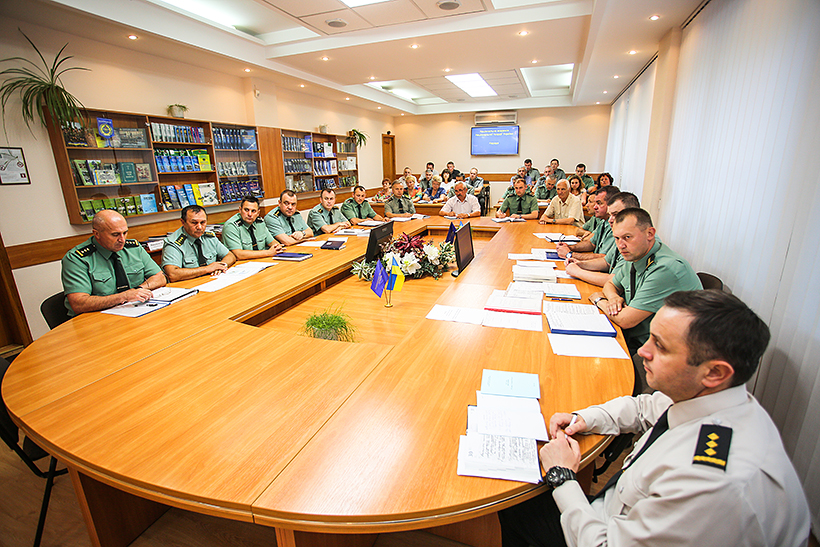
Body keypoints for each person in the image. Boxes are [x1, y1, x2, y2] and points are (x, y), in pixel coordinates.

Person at [499, 290, 810, 547]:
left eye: (660, 346)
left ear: (715, 372)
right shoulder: (714, 398)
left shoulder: (710, 485)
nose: (642, 352)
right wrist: (584, 418)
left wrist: (562, 476)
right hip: (621, 515)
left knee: (516, 506)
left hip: (608, 532)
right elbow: (645, 408)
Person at [592, 208, 702, 354]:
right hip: (637, 339)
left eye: (627, 237)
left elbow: (626, 320)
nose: (621, 245)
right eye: (617, 238)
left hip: (666, 352)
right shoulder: (637, 255)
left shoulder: (665, 268)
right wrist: (613, 298)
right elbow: (611, 284)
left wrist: (599, 300)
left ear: (650, 234)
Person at [61, 209, 166, 316]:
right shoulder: (77, 259)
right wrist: (124, 296)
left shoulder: (133, 248)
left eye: (125, 233)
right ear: (97, 234)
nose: (122, 240)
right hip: (95, 317)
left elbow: (160, 278)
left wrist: (138, 290)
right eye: (115, 235)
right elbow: (78, 304)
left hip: (133, 310)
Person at [565, 191, 639, 287]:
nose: (610, 220)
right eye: (610, 215)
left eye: (616, 215)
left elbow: (613, 281)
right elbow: (606, 261)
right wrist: (580, 264)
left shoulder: (634, 243)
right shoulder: (622, 237)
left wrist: (577, 272)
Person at [162, 205, 236, 282]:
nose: (199, 227)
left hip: (212, 280)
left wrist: (221, 266)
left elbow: (230, 255)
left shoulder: (208, 236)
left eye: (203, 222)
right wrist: (207, 269)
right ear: (183, 222)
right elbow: (172, 274)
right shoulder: (174, 243)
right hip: (189, 284)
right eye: (194, 223)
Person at [556, 185, 620, 260]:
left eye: (599, 203)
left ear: (611, 204)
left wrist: (570, 254)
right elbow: (591, 244)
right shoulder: (603, 221)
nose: (595, 207)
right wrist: (569, 247)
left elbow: (604, 258)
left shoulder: (614, 226)